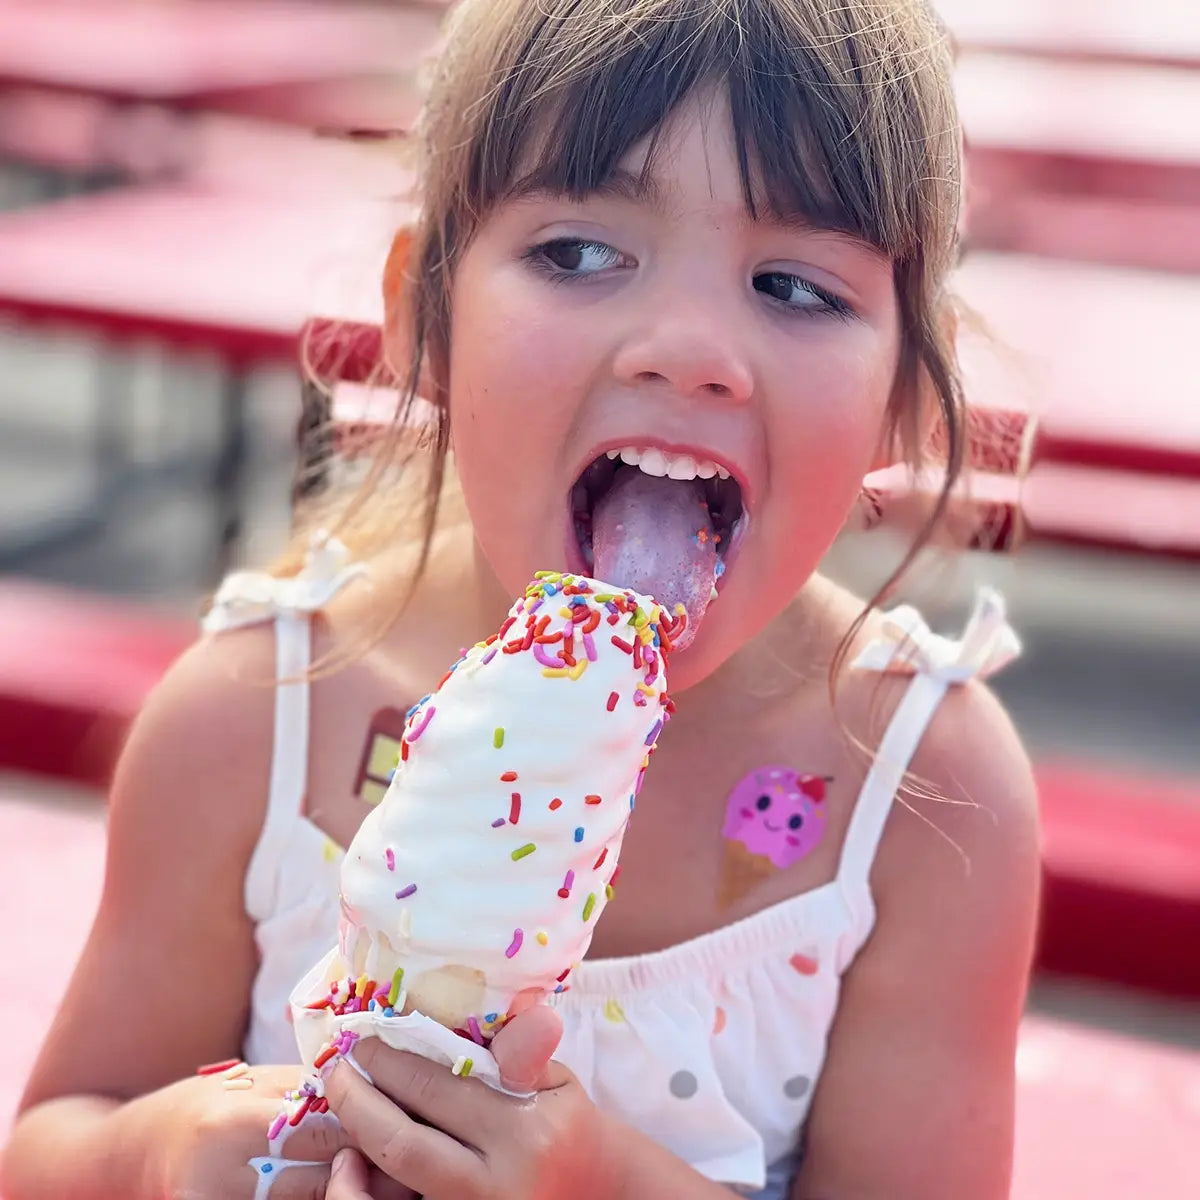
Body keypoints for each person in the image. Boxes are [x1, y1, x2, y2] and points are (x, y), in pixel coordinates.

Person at [1, 0, 1041, 1197]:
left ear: (908, 395)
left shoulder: (925, 796)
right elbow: (49, 1151)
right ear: (423, 319)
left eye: (796, 287)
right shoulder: (253, 717)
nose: (687, 348)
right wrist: (154, 1154)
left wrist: (609, 1186)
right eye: (579, 254)